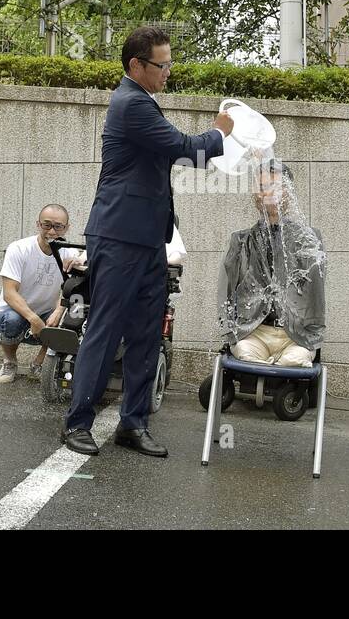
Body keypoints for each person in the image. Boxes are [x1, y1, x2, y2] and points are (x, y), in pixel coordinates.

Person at [60, 26, 232, 457]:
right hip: (118, 235)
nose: (168, 71)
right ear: (136, 65)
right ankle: (77, 422)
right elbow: (185, 148)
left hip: (148, 240)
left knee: (146, 333)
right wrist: (220, 133)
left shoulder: (144, 103)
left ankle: (132, 424)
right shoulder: (131, 103)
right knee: (104, 328)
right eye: (162, 64)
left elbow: (175, 152)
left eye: (170, 63)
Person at [217, 160, 325, 368]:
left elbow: (316, 294)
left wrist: (313, 334)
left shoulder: (309, 240)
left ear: (288, 192)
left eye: (274, 186)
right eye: (261, 186)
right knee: (246, 354)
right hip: (253, 332)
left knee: (295, 360)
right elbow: (227, 291)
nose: (266, 193)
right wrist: (230, 330)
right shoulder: (241, 241)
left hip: (296, 336)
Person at [0, 205, 77, 384]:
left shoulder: (70, 252)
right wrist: (34, 319)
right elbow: (9, 293)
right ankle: (10, 362)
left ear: (67, 228)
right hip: (10, 318)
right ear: (38, 224)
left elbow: (75, 288)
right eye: (47, 225)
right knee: (11, 320)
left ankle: (38, 364)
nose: (52, 231)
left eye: (58, 226)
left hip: (46, 316)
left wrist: (59, 311)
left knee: (70, 317)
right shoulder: (19, 248)